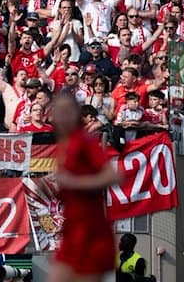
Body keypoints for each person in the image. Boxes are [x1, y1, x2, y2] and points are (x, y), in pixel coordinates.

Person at [48, 91, 120, 282]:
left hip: (91, 233)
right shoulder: (65, 144)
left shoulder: (85, 141)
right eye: (58, 110)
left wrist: (74, 183)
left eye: (67, 110)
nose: (62, 115)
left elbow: (114, 176)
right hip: (73, 231)